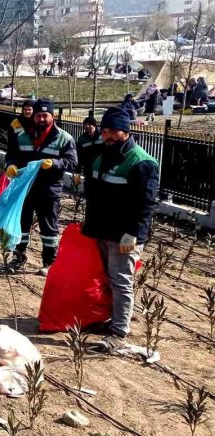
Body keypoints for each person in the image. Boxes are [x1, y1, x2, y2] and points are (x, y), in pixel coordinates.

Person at [83, 107, 159, 353]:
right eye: (104, 131)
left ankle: (119, 332)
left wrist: (133, 234)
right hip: (101, 230)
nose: (108, 136)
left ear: (126, 131)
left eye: (113, 131)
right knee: (106, 279)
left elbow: (145, 205)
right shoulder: (99, 155)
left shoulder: (141, 162)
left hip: (123, 235)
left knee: (121, 281)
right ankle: (110, 320)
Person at [4, 99, 78, 275]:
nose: (41, 119)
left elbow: (72, 162)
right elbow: (11, 154)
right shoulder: (21, 135)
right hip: (25, 189)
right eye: (38, 115)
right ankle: (18, 257)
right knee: (21, 225)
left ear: (52, 116)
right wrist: (10, 165)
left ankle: (49, 262)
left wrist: (53, 163)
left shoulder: (63, 138)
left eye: (45, 115)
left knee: (49, 227)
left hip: (49, 190)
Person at [73, 117, 103, 186]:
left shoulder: (102, 137)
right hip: (88, 171)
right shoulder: (82, 139)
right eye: (85, 125)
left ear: (94, 125)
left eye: (89, 124)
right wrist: (77, 178)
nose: (87, 126)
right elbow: (79, 158)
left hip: (101, 170)